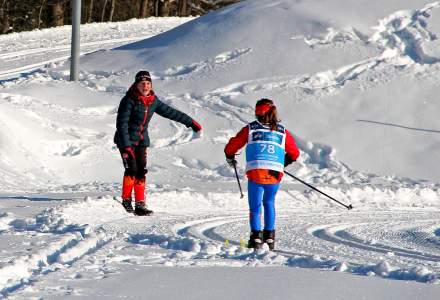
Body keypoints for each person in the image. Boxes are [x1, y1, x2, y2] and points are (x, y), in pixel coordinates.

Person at [114, 71, 202, 216]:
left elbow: (170, 112)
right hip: (126, 140)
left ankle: (140, 203)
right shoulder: (128, 100)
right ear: (136, 85)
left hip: (142, 141)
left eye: (148, 83)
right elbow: (121, 124)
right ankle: (126, 199)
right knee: (132, 169)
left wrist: (190, 122)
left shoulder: (152, 101)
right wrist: (126, 146)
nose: (145, 86)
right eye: (142, 83)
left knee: (141, 170)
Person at [224, 99, 300, 250]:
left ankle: (256, 238)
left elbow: (232, 146)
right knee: (269, 203)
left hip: (256, 171)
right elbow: (294, 153)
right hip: (274, 174)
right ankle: (270, 238)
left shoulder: (251, 128)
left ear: (258, 112)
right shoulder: (282, 131)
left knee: (256, 206)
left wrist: (229, 155)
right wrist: (282, 164)